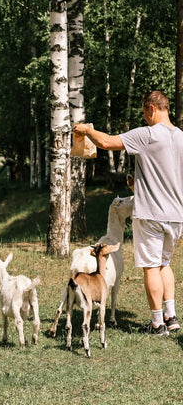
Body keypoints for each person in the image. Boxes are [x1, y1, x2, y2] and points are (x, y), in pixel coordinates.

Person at [74, 90, 183, 335]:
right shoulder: (181, 138)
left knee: (151, 266)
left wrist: (87, 131)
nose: (144, 118)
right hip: (176, 214)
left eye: (145, 113)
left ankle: (157, 324)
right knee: (165, 263)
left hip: (152, 214)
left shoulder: (147, 134)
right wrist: (141, 186)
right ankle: (171, 316)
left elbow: (106, 142)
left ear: (152, 109)